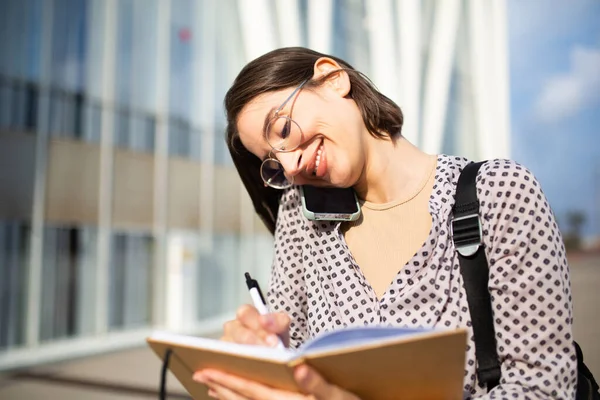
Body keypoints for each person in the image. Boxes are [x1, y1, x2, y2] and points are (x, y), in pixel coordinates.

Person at [192, 47, 577, 399]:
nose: (291, 168)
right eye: (274, 163)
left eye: (283, 130)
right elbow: (291, 362)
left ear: (332, 78)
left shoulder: (499, 192)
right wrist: (257, 362)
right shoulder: (300, 216)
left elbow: (543, 388)